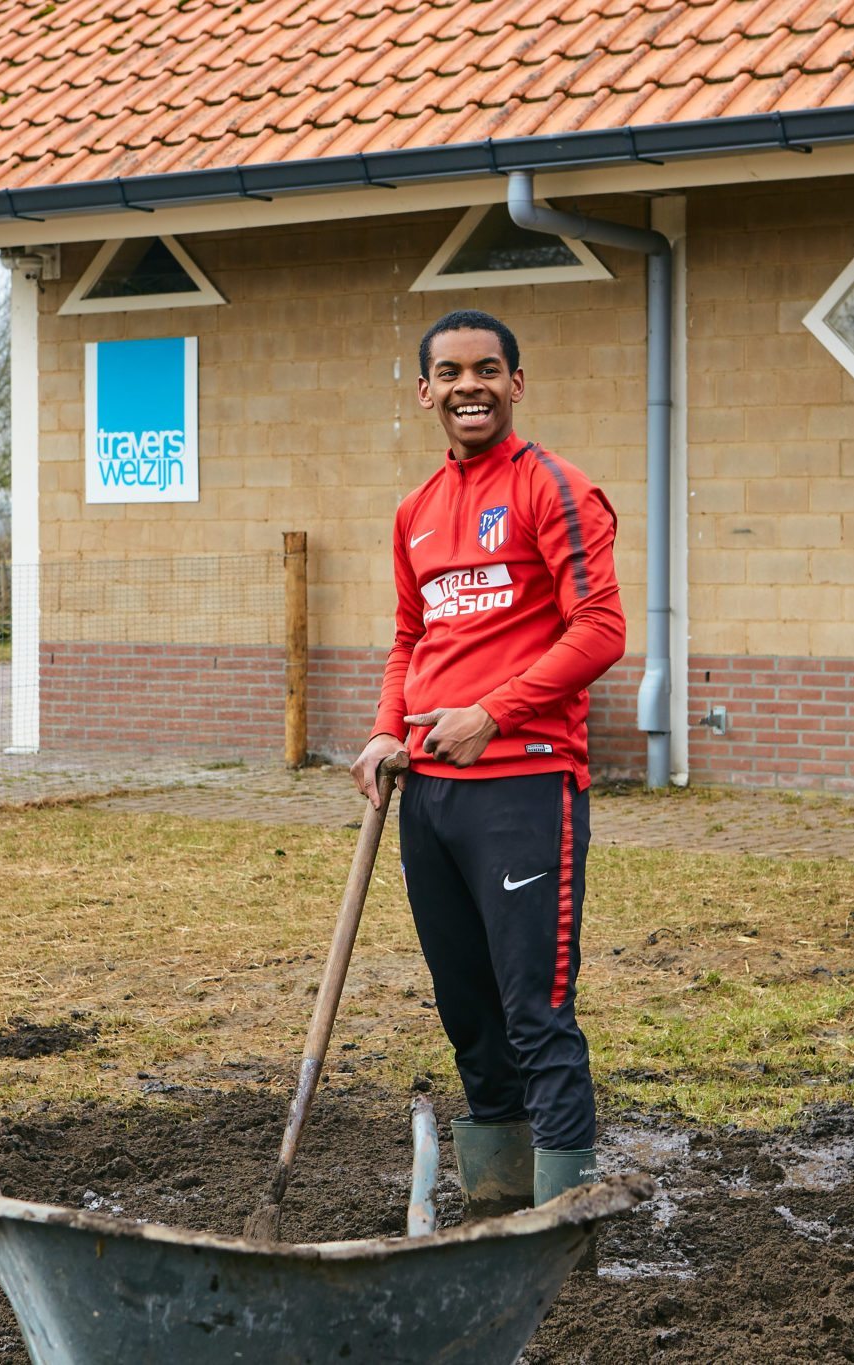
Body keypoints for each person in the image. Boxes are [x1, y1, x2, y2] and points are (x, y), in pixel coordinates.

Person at [351, 309, 625, 1219]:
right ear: (425, 390)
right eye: (450, 372)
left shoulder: (555, 487)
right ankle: (502, 1206)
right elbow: (408, 636)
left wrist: (492, 714)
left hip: (523, 787)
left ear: (516, 383)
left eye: (488, 369)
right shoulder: (416, 512)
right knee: (467, 1012)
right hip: (427, 797)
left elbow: (601, 630)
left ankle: (563, 1223)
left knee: (534, 1011)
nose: (470, 384)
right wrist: (390, 728)